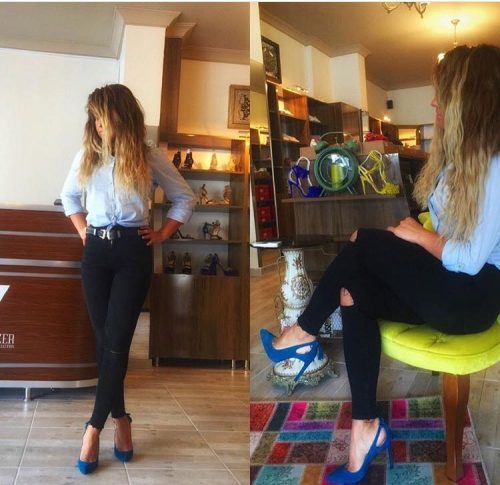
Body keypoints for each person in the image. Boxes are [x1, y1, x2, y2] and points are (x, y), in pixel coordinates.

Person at [261, 44, 500, 484]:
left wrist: (415, 237)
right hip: (447, 283)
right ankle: (365, 428)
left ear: (468, 100)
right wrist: (410, 244)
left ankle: (303, 333)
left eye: (442, 94)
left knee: (363, 242)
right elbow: (447, 240)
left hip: (472, 299)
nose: (434, 102)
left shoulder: (496, 166)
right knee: (353, 290)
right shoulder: (456, 163)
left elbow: (468, 260)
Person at [61, 84, 196, 474]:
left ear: (122, 117)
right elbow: (69, 197)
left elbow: (185, 197)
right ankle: (121, 417)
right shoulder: (87, 155)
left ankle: (93, 427)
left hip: (133, 253)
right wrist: (84, 231)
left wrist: (163, 233)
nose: (99, 126)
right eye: (95, 120)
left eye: (104, 118)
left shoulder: (150, 156)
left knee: (117, 342)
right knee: (106, 342)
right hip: (96, 254)